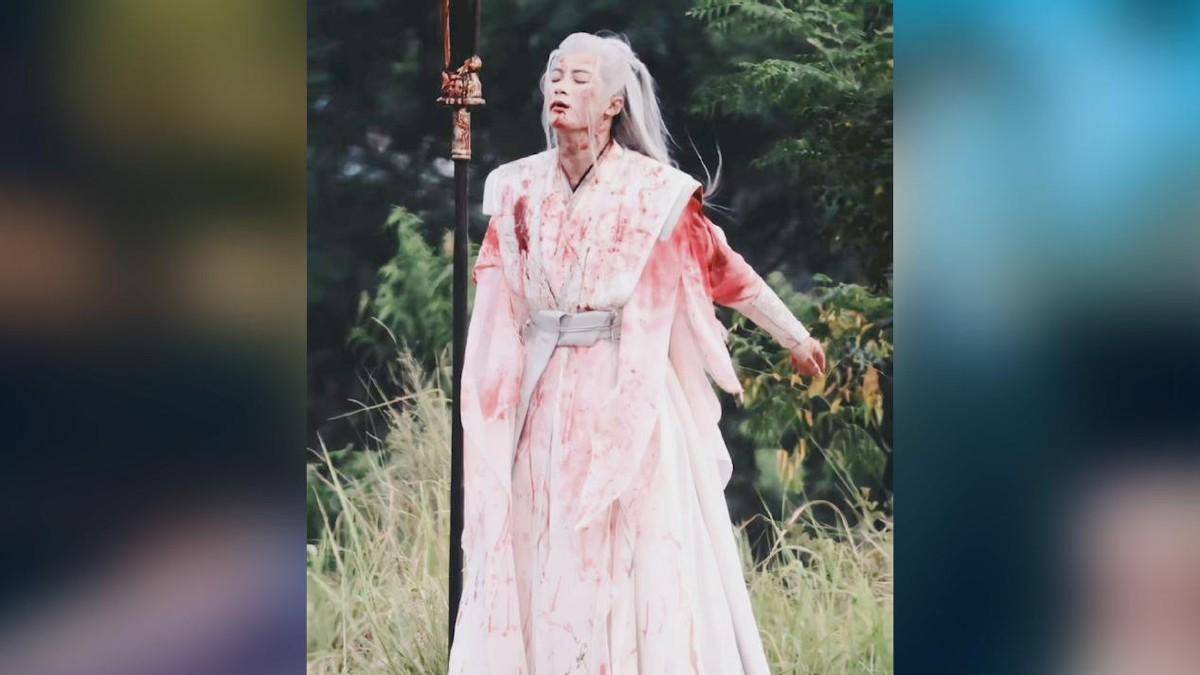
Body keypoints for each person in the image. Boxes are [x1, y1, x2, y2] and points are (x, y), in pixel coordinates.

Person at [448, 31, 826, 675]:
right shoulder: (516, 188)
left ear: (615, 102)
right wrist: (489, 395)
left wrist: (795, 336)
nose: (561, 88)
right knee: (543, 543)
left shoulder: (655, 193)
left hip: (630, 395)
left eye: (580, 79)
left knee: (635, 553)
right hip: (542, 396)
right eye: (555, 76)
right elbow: (495, 290)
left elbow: (724, 270)